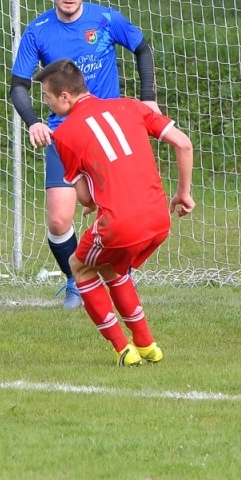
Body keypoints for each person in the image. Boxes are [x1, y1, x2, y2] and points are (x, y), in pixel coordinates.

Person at [10, 0, 159, 309]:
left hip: (109, 134)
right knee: (59, 219)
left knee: (118, 212)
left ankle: (120, 273)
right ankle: (77, 279)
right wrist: (33, 120)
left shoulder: (105, 19)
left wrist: (148, 100)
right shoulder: (38, 30)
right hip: (64, 135)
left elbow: (142, 48)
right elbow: (18, 85)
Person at [33, 59, 193, 366]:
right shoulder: (131, 106)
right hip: (159, 218)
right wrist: (183, 193)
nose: (47, 104)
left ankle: (123, 349)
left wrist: (93, 201)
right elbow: (183, 144)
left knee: (78, 266)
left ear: (65, 96)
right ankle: (147, 345)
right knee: (110, 267)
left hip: (120, 223)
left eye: (47, 98)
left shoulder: (64, 135)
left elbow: (84, 199)